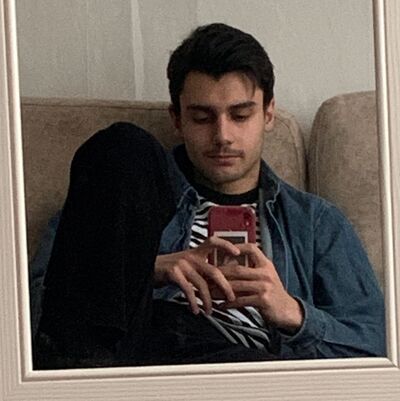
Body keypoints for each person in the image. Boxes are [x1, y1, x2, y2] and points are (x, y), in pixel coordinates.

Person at [32, 23, 385, 369]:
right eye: (202, 118)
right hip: (132, 358)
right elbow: (37, 312)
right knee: (123, 145)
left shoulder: (315, 223)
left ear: (269, 113)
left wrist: (291, 312)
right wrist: (146, 270)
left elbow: (378, 350)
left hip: (253, 371)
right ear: (177, 119)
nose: (222, 136)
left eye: (240, 115)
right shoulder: (125, 188)